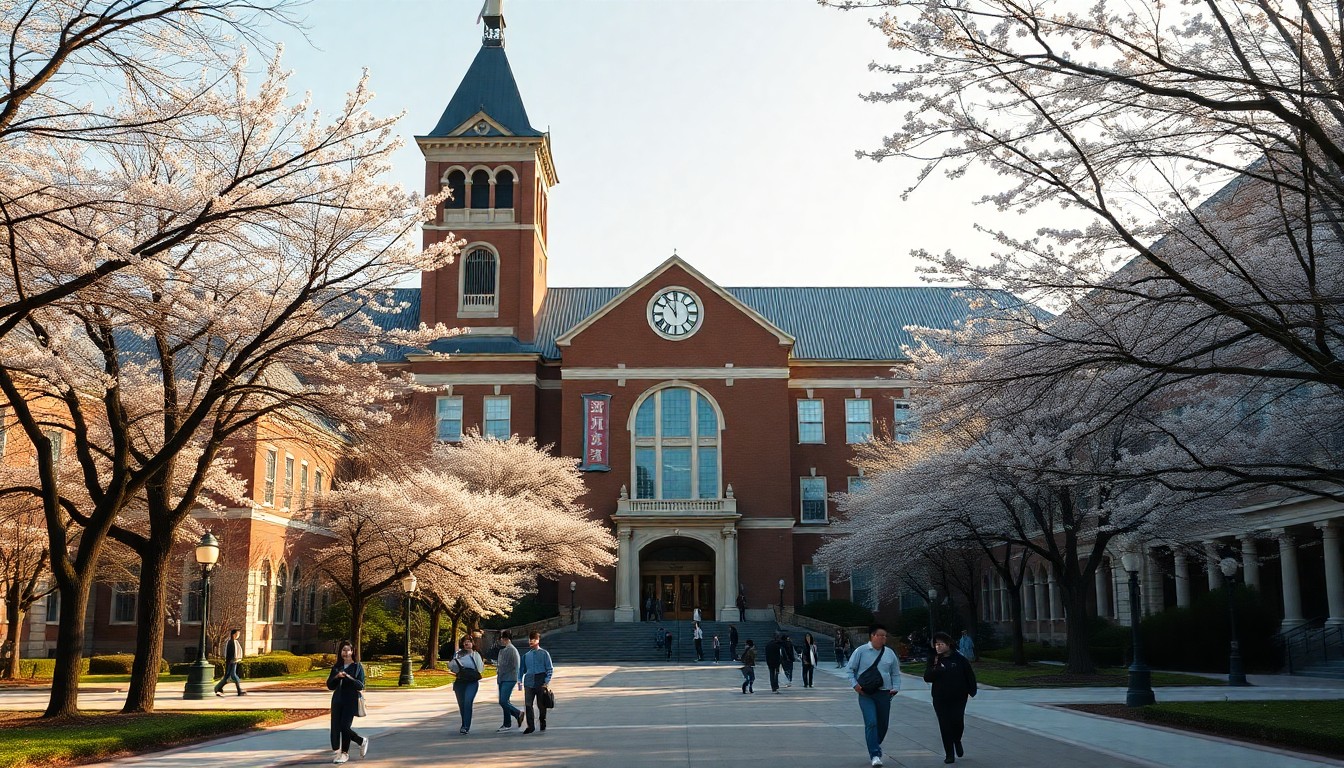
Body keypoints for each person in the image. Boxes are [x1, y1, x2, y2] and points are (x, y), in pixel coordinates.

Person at [846, 624, 902, 767]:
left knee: (883, 725)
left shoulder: (889, 653)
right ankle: (875, 754)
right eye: (880, 635)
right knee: (871, 722)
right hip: (866, 693)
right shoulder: (861, 651)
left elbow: (895, 672)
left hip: (884, 693)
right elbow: (850, 670)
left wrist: (895, 687)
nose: (884, 638)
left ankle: (874, 744)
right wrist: (855, 685)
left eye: (885, 636)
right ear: (872, 636)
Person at [925, 631, 977, 764]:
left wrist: (972, 690)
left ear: (948, 645)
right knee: (945, 725)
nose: (938, 647)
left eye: (941, 644)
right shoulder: (934, 659)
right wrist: (936, 671)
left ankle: (957, 740)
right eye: (936, 644)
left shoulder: (960, 659)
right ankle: (949, 754)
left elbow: (969, 675)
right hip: (940, 698)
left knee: (958, 722)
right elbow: (927, 677)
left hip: (958, 697)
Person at [326, 639, 368, 764]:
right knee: (336, 727)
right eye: (343, 650)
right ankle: (348, 748)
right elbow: (330, 685)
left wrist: (348, 677)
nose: (345, 653)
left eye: (347, 650)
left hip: (350, 700)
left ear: (352, 652)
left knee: (345, 726)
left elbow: (360, 685)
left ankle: (346, 752)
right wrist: (336, 677)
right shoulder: (336, 667)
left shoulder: (357, 667)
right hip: (337, 700)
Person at [519, 631, 554, 733]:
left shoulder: (544, 654)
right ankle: (530, 726)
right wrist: (520, 681)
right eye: (530, 639)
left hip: (541, 680)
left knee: (541, 704)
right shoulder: (526, 656)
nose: (531, 641)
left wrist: (546, 681)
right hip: (529, 681)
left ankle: (542, 720)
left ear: (538, 640)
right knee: (528, 704)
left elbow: (549, 668)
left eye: (533, 639)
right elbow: (522, 670)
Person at [449, 636, 484, 735]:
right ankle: (463, 724)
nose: (466, 644)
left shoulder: (476, 654)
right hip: (460, 681)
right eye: (465, 642)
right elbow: (453, 667)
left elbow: (480, 669)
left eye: (469, 642)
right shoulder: (457, 654)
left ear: (472, 643)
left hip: (472, 681)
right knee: (462, 704)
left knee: (468, 701)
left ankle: (466, 726)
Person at [494, 630, 525, 733]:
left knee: (503, 701)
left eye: (502, 639)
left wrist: (519, 679)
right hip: (502, 678)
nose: (501, 641)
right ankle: (507, 722)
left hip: (510, 678)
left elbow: (516, 665)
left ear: (505, 639)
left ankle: (517, 713)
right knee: (505, 701)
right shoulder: (503, 650)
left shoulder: (511, 650)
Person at [213, 628, 246, 697]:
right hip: (231, 662)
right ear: (234, 634)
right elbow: (230, 654)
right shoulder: (231, 642)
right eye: (237, 634)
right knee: (233, 675)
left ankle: (218, 688)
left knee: (227, 677)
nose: (238, 635)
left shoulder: (234, 642)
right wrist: (230, 661)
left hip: (233, 661)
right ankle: (239, 690)